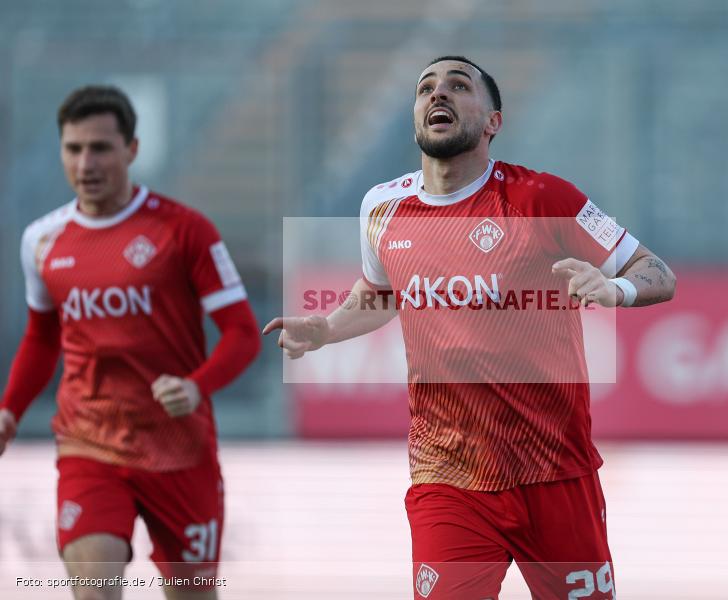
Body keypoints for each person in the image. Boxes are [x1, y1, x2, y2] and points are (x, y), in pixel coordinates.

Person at [264, 56, 676, 599]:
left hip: (554, 470)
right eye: (426, 88)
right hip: (447, 475)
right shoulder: (382, 208)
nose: (439, 94)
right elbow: (381, 293)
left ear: (492, 122)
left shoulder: (541, 199)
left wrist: (613, 290)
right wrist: (326, 328)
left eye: (459, 86)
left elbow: (657, 273)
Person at [0, 85, 261, 600]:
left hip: (179, 448)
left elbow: (243, 334)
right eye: (74, 149)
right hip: (89, 440)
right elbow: (42, 336)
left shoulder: (184, 231)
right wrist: (10, 409)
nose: (86, 162)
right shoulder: (42, 240)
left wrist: (195, 387)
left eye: (100, 147)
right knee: (94, 590)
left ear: (132, 150)